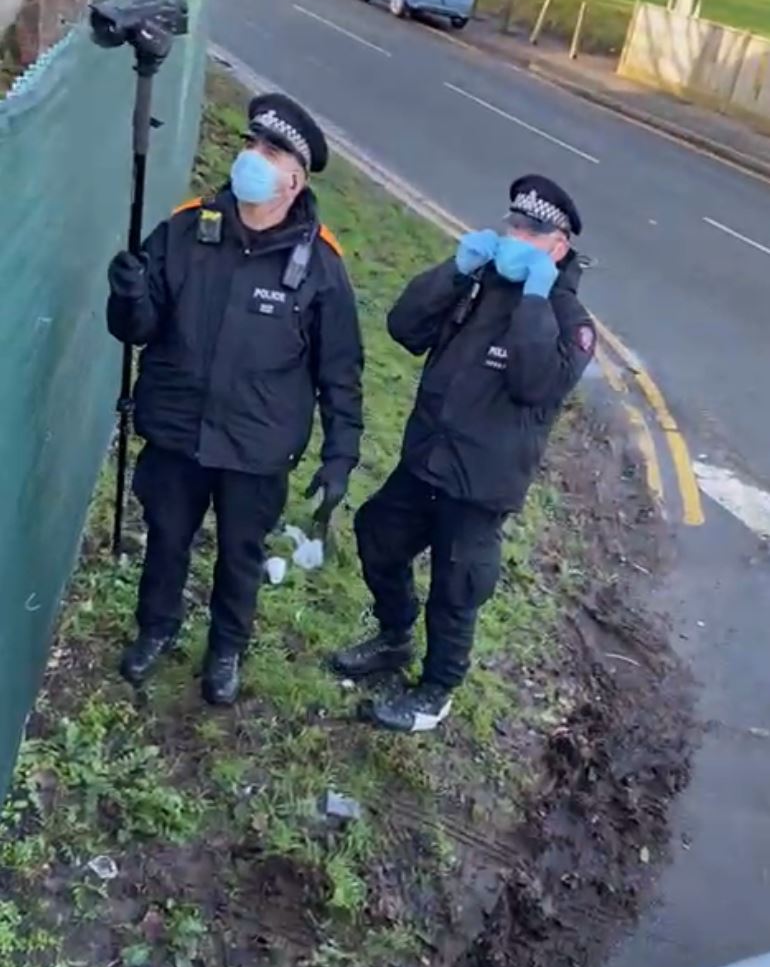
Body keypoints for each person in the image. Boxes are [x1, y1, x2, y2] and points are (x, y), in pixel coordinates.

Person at [107, 93, 363, 706]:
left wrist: (341, 452)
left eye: (269, 151)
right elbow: (137, 328)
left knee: (240, 554)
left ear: (293, 179)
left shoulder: (322, 266)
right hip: (178, 429)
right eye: (251, 144)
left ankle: (225, 650)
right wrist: (127, 294)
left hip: (257, 445)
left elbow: (341, 369)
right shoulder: (188, 228)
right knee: (167, 537)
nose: (251, 156)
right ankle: (156, 629)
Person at [333, 174, 595, 732]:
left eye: (535, 231)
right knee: (377, 535)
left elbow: (534, 383)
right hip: (426, 457)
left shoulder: (570, 323)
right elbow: (404, 326)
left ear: (559, 246)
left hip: (480, 483)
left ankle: (437, 690)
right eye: (515, 224)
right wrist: (455, 270)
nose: (518, 235)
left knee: (457, 588)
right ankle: (395, 636)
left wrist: (534, 298)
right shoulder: (477, 286)